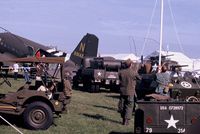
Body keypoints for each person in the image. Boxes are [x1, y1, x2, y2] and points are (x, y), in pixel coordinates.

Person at [118, 59, 140, 126]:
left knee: (122, 106)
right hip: (130, 92)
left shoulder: (121, 72)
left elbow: (120, 79)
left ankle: (123, 120)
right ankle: (126, 121)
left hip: (122, 92)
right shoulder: (133, 73)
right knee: (129, 106)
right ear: (131, 65)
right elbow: (139, 78)